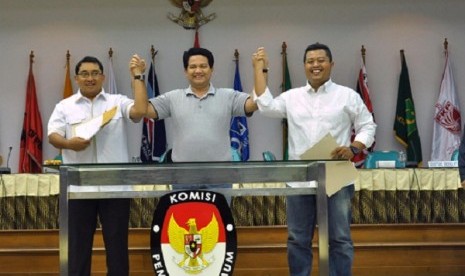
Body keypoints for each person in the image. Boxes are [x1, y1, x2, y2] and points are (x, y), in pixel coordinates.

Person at [253, 43, 376, 276]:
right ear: (304, 66)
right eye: (310, 61)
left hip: (337, 174)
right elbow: (266, 107)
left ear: (331, 64)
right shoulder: (292, 97)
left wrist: (354, 147)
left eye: (321, 60)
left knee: (339, 238)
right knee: (298, 239)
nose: (315, 65)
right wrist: (260, 69)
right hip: (299, 178)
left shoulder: (347, 95)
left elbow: (368, 126)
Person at [48, 55, 148, 276]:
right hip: (78, 190)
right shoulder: (64, 106)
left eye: (95, 73)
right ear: (76, 78)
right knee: (78, 249)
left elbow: (140, 111)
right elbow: (53, 136)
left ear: (102, 77)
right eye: (84, 74)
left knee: (117, 249)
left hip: (114, 188)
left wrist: (138, 76)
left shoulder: (117, 101)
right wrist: (68, 144)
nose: (90, 78)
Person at [145, 47, 258, 194]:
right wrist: (137, 78)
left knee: (218, 217)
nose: (198, 70)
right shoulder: (172, 98)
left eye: (203, 66)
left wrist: (260, 70)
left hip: (220, 178)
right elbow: (144, 110)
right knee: (184, 217)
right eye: (193, 67)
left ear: (211, 70)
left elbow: (255, 103)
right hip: (183, 178)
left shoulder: (228, 96)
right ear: (185, 71)